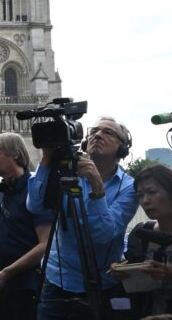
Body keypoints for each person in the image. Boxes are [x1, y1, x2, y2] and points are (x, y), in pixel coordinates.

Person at [27, 116, 138, 319]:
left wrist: (96, 186)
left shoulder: (129, 187)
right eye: (94, 131)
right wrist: (46, 159)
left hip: (102, 285)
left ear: (122, 148)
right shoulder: (66, 173)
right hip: (57, 281)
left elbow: (103, 234)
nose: (98, 135)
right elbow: (35, 205)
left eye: (108, 132)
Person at [110, 164, 172, 318]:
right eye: (140, 195)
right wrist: (124, 273)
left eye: (152, 192)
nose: (145, 201)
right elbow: (136, 279)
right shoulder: (142, 232)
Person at [0, 132, 52, 320]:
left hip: (28, 286)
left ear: (14, 154)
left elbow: (45, 243)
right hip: (2, 284)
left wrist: (8, 271)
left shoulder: (36, 191)